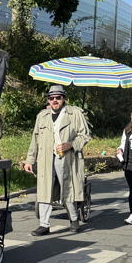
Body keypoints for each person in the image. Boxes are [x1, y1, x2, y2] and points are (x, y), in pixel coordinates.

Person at [23, 85, 90, 235]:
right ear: (48, 99)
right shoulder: (42, 115)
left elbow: (85, 135)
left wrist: (71, 145)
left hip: (66, 158)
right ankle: (44, 224)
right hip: (45, 157)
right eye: (51, 98)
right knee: (44, 189)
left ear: (64, 98)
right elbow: (35, 139)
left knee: (68, 189)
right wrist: (29, 160)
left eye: (58, 97)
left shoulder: (75, 113)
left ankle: (73, 218)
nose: (54, 100)